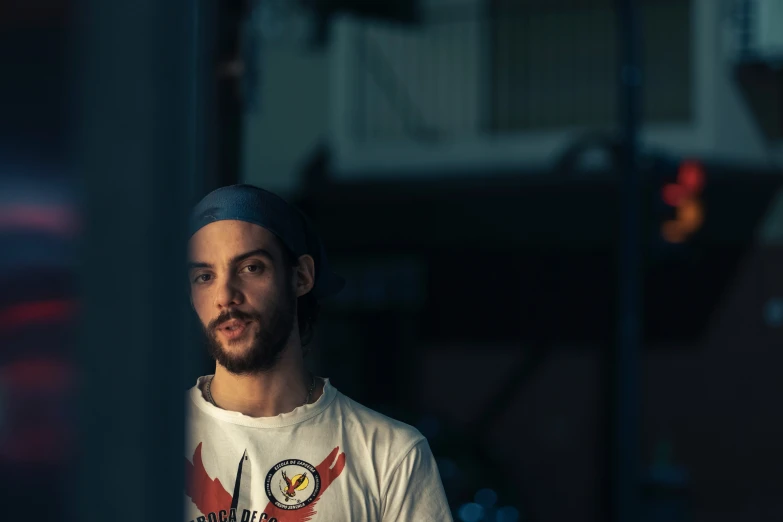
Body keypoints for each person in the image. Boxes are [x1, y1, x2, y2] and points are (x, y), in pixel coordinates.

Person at [184, 184, 453, 522]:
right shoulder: (147, 446)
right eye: (204, 276)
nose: (225, 295)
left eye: (251, 268)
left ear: (301, 276)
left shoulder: (389, 454)